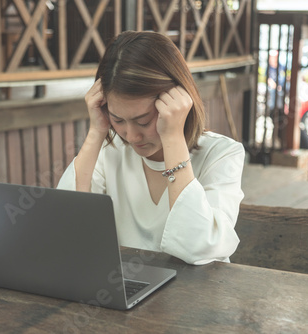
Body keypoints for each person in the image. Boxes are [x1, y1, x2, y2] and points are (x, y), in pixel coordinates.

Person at [56, 31, 245, 265]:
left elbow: (200, 247)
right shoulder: (110, 153)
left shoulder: (222, 154)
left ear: (176, 103)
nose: (132, 136)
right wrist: (96, 132)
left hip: (200, 295)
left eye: (144, 121)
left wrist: (173, 137)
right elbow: (64, 226)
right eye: (118, 119)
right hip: (129, 292)